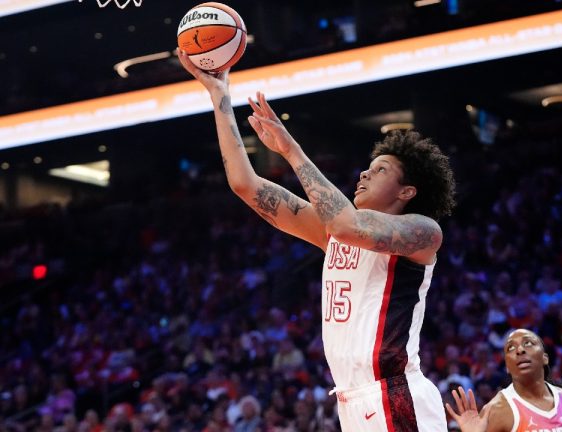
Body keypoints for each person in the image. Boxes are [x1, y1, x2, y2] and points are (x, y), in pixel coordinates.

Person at [178, 50, 456, 432]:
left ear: (407, 191)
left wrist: (291, 150)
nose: (364, 173)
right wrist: (218, 95)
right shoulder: (334, 231)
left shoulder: (423, 232)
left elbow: (346, 223)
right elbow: (246, 185)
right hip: (350, 400)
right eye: (368, 166)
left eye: (380, 170)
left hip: (395, 394)